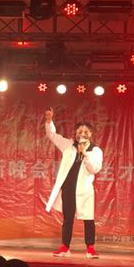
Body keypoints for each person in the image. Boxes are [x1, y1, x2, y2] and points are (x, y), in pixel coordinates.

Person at [43, 108, 103, 259]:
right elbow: (52, 135)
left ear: (91, 134)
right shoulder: (68, 145)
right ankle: (65, 247)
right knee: (67, 219)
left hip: (84, 190)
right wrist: (49, 121)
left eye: (86, 132)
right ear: (75, 133)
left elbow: (95, 169)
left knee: (88, 219)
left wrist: (85, 154)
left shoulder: (95, 151)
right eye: (79, 131)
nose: (82, 134)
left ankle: (90, 248)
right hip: (68, 188)